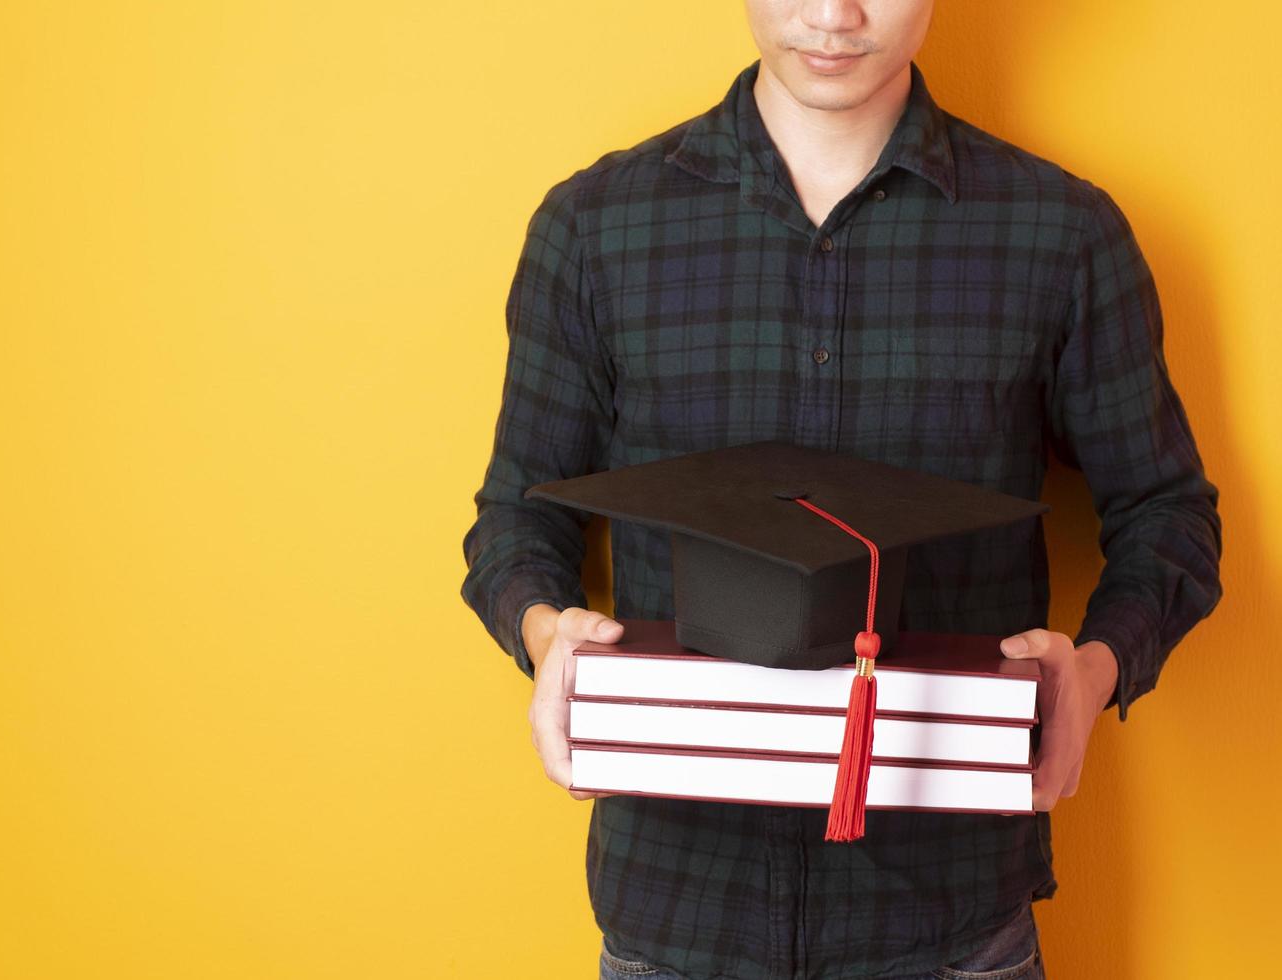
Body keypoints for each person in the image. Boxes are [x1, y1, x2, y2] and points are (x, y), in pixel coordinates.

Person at [460, 2, 1224, 977]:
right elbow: (515, 515)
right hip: (677, 909)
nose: (834, 14)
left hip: (949, 918)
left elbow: (1168, 512)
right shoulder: (594, 228)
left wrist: (1097, 669)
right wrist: (543, 630)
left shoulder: (1062, 235)